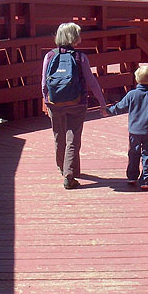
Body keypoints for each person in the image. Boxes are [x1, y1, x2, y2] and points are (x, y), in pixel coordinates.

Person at [42, 22, 108, 189]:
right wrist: (102, 103)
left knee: (59, 135)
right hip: (77, 102)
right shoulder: (81, 57)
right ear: (74, 37)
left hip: (54, 102)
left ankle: (63, 168)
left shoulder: (50, 56)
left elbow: (44, 83)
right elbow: (92, 82)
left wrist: (46, 100)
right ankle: (69, 174)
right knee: (73, 138)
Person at [107, 65, 148, 190]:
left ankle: (132, 176)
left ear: (136, 79)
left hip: (134, 131)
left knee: (133, 153)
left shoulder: (131, 94)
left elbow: (120, 106)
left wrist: (108, 110)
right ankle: (145, 180)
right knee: (147, 154)